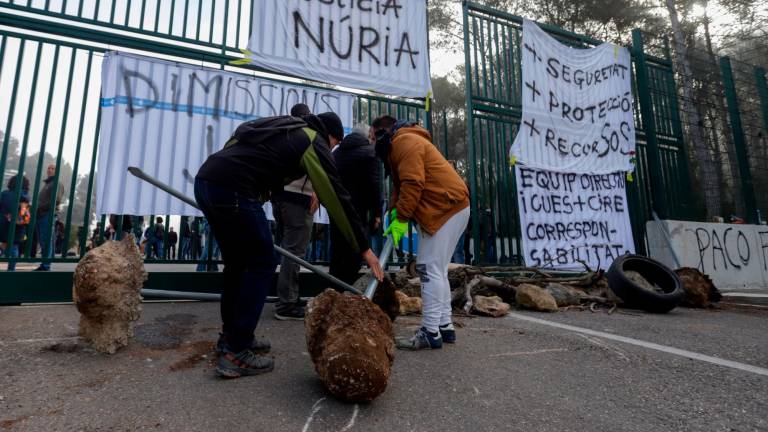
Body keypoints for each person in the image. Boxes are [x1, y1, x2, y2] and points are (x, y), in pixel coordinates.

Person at [194, 112, 383, 378]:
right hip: (235, 189)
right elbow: (336, 196)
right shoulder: (311, 140)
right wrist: (364, 247)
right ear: (329, 136)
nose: (332, 151)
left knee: (238, 264)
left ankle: (233, 338)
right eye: (334, 145)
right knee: (262, 262)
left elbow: (236, 141)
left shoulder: (281, 126)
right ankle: (236, 351)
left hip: (207, 181)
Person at [371, 115, 470, 351]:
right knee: (437, 270)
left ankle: (429, 332)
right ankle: (444, 326)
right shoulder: (403, 143)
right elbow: (401, 185)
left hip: (444, 208)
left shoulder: (405, 142)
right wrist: (394, 214)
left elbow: (413, 184)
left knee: (427, 268)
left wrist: (402, 219)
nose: (372, 143)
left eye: (373, 137)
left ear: (384, 132)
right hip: (451, 206)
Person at [271, 104, 327, 320]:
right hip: (298, 199)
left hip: (280, 198)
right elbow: (315, 165)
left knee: (287, 251)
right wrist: (318, 191)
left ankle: (285, 298)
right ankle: (286, 304)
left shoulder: (281, 132)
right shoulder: (307, 134)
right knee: (294, 253)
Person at [329, 123, 382, 285]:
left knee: (338, 253)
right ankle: (347, 290)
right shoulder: (370, 153)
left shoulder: (336, 153)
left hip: (337, 209)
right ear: (366, 137)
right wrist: (377, 213)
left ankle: (334, 290)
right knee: (355, 252)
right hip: (359, 210)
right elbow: (374, 186)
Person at [34, 164, 65, 271]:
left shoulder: (57, 183)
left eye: (53, 168)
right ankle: (45, 264)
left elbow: (56, 200)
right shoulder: (48, 183)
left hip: (47, 214)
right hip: (41, 214)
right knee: (45, 240)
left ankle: (46, 265)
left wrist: (41, 207)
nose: (50, 170)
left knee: (46, 239)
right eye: (48, 168)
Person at [0, 175, 31, 271]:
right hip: (19, 225)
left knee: (5, 243)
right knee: (14, 247)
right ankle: (11, 269)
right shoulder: (26, 196)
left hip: (4, 224)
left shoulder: (5, 194)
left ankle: (2, 252)